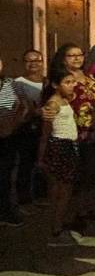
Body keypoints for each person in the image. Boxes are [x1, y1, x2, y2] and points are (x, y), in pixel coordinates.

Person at [45, 43, 95, 229]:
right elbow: (48, 106)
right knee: (70, 180)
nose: (77, 58)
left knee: (89, 174)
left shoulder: (89, 77)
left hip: (93, 132)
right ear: (63, 59)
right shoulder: (60, 80)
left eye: (80, 55)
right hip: (70, 135)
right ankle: (65, 217)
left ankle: (84, 209)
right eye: (71, 56)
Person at [37, 67, 80, 246]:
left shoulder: (64, 100)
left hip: (69, 146)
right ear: (56, 85)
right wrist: (41, 157)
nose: (72, 86)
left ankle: (60, 224)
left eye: (73, 82)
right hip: (59, 147)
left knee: (66, 190)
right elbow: (46, 133)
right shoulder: (53, 103)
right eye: (67, 82)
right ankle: (56, 230)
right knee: (61, 191)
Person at [13, 49, 46, 207]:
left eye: (37, 60)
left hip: (46, 127)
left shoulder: (48, 82)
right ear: (24, 63)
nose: (33, 64)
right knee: (26, 163)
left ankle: (41, 195)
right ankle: (24, 199)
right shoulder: (18, 83)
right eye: (29, 60)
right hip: (27, 128)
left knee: (44, 161)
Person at [0, 56, 29, 227]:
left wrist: (12, 125)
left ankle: (5, 210)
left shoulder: (13, 84)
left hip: (9, 136)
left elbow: (24, 107)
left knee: (5, 174)